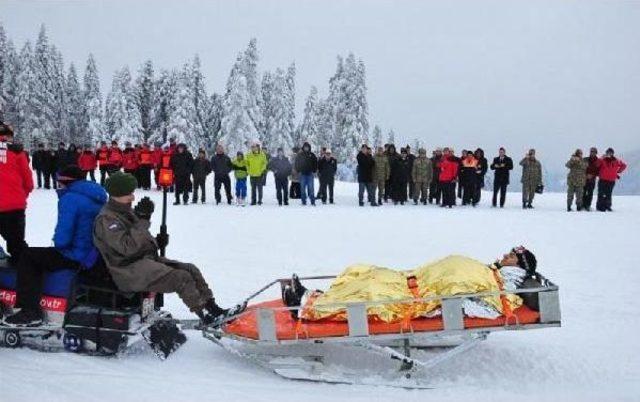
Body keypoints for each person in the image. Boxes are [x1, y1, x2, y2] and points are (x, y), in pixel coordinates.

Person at [92, 172, 241, 325]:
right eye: (128, 194)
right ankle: (205, 315)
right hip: (127, 270)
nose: (133, 197)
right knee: (181, 278)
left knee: (191, 269)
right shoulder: (107, 219)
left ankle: (213, 308)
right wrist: (142, 221)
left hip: (142, 262)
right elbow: (127, 248)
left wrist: (156, 242)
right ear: (117, 194)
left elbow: (139, 239)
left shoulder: (125, 211)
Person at [3, 166, 107, 326]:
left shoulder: (70, 199)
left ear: (65, 182)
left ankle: (30, 311)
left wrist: (57, 244)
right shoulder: (96, 196)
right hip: (91, 253)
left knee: (28, 257)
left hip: (75, 254)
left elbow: (63, 237)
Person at [0, 122, 34, 266]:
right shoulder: (18, 152)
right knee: (17, 243)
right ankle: (21, 276)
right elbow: (28, 182)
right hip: (15, 205)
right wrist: (19, 196)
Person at [595, 148, 627, 212]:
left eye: (610, 152)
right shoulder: (602, 159)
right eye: (608, 152)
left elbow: (624, 165)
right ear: (606, 153)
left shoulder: (616, 160)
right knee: (601, 193)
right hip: (603, 179)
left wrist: (618, 171)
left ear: (612, 153)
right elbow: (596, 165)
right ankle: (600, 207)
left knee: (608, 193)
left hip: (611, 180)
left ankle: (608, 206)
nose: (609, 154)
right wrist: (601, 158)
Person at [295, 142, 318, 206]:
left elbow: (315, 163)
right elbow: (296, 163)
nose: (306, 148)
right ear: (303, 147)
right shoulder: (300, 155)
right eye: (305, 147)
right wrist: (298, 170)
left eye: (307, 147)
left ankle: (312, 202)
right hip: (302, 174)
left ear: (309, 147)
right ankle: (303, 202)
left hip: (310, 174)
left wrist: (314, 170)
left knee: (311, 189)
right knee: (302, 189)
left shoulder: (312, 155)